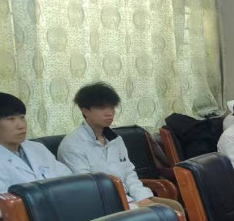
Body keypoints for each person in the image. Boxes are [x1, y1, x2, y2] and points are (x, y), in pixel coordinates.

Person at [58, 83, 182, 212]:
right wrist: (131, 204)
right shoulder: (72, 145)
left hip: (128, 198)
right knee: (161, 214)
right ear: (85, 111)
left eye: (112, 108)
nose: (109, 113)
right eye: (102, 108)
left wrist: (142, 198)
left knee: (174, 207)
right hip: (99, 205)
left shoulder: (116, 140)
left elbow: (129, 173)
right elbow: (88, 187)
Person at [0, 92, 72, 217]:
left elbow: (68, 180)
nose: (21, 125)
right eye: (11, 119)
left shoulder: (37, 148)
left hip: (64, 211)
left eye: (22, 117)